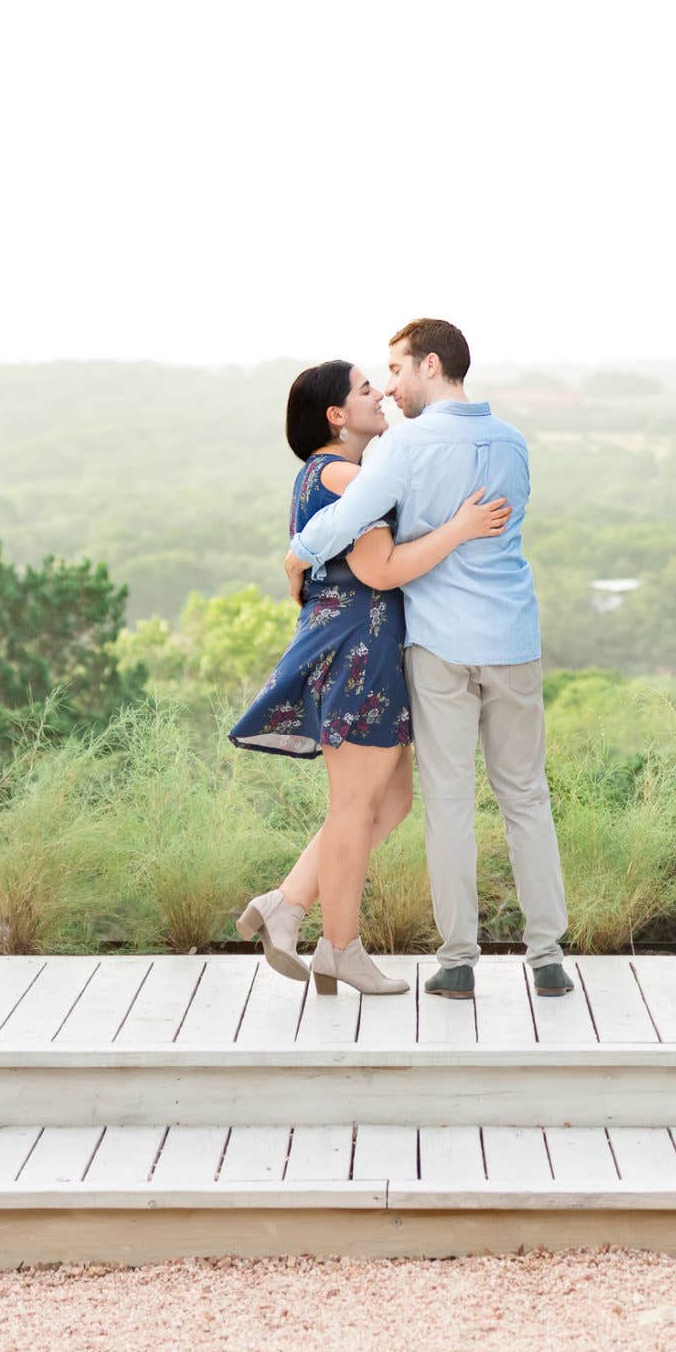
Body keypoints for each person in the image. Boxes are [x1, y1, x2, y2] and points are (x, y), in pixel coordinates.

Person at [283, 318, 571, 1001]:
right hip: (513, 638)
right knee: (526, 794)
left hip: (441, 644)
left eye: (398, 368)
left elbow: (349, 516)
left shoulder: (405, 444)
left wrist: (298, 551)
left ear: (432, 365)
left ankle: (459, 960)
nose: (389, 385)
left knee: (447, 802)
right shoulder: (514, 441)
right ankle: (548, 955)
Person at [227, 358, 510, 996]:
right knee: (355, 807)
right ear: (336, 416)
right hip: (361, 646)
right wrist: (462, 527)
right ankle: (339, 947)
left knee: (393, 802)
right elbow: (380, 569)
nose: (379, 393)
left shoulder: (323, 473)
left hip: (363, 644)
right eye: (364, 389)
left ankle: (289, 903)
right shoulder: (350, 476)